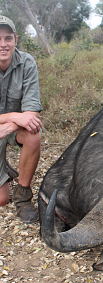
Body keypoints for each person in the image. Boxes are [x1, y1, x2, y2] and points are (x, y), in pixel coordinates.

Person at [0, 15, 43, 223]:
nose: (3, 44)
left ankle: (23, 196)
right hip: (8, 125)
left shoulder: (26, 62)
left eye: (8, 38)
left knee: (34, 133)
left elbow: (32, 112)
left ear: (16, 40)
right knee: (0, 199)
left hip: (10, 131)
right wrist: (15, 116)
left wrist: (9, 125)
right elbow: (23, 115)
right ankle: (6, 170)